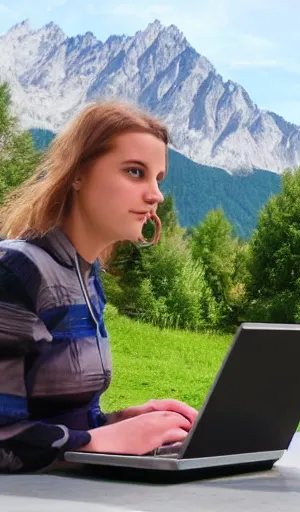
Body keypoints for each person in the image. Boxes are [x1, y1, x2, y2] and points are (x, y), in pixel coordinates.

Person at [0, 101, 198, 473]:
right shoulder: (16, 271)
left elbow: (58, 424)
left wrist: (120, 421)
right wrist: (100, 441)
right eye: (136, 172)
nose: (156, 195)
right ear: (78, 174)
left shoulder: (87, 280)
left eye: (158, 179)